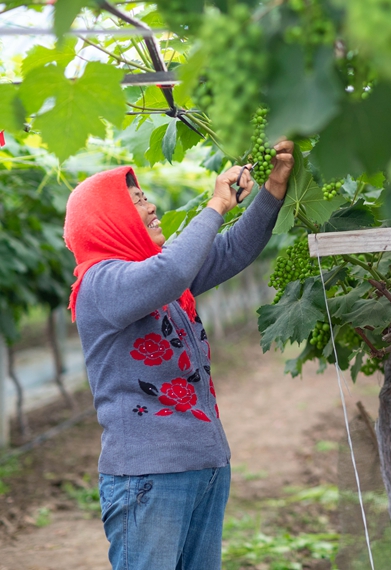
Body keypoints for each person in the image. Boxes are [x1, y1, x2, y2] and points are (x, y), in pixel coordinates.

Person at [63, 141, 294, 569]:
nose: (151, 208)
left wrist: (273, 188)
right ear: (107, 221)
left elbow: (230, 250)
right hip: (149, 478)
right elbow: (172, 270)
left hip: (204, 466)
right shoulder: (101, 284)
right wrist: (216, 204)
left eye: (146, 197)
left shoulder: (158, 278)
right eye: (137, 202)